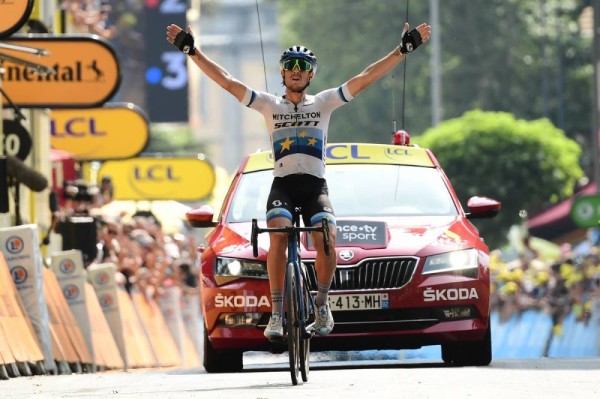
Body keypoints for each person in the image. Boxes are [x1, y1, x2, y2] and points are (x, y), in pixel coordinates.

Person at [166, 21, 431, 340]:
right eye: (289, 66)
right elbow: (227, 81)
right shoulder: (268, 104)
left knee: (327, 236)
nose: (295, 70)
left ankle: (321, 304)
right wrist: (192, 52)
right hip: (284, 186)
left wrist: (402, 50)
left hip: (314, 187)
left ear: (311, 75)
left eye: (302, 66)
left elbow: (365, 78)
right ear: (282, 73)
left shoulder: (323, 103)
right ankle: (276, 313)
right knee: (277, 232)